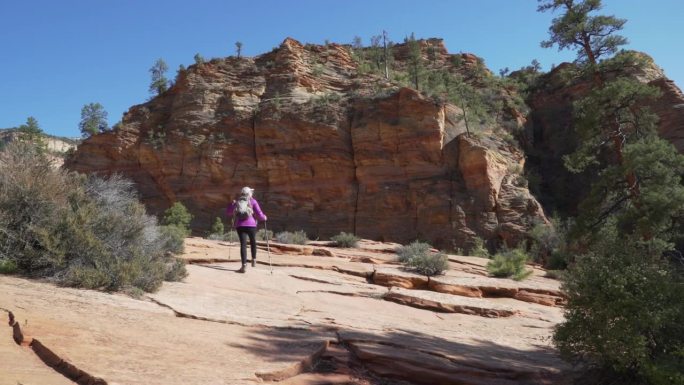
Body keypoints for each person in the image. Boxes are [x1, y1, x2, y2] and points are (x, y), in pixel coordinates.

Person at [227, 186, 267, 273]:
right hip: (251, 225)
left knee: (243, 245)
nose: (252, 193)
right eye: (251, 192)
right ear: (249, 194)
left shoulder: (238, 201)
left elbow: (229, 212)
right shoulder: (253, 201)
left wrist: (232, 204)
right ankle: (254, 259)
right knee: (253, 241)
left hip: (240, 225)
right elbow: (259, 213)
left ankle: (244, 266)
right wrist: (264, 217)